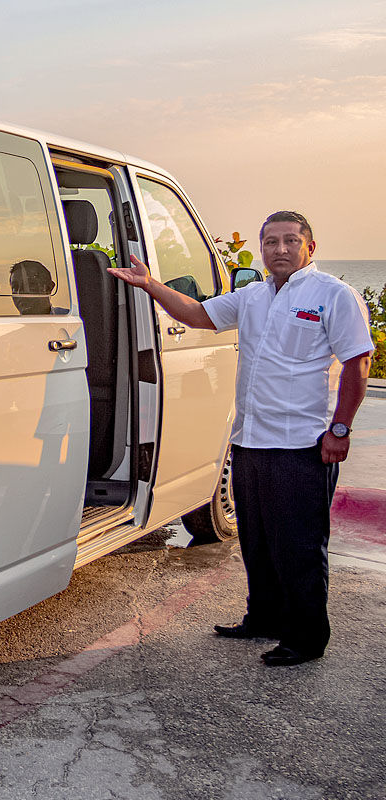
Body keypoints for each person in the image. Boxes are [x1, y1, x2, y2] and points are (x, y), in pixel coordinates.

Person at [108, 210, 372, 667]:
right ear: (263, 248)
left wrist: (341, 429)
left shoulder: (334, 295)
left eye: (291, 240)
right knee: (257, 539)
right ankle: (264, 617)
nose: (281, 249)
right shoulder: (251, 295)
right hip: (250, 440)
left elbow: (358, 363)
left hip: (303, 443)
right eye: (271, 242)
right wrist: (150, 285)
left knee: (299, 546)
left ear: (311, 247)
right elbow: (195, 314)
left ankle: (306, 639)